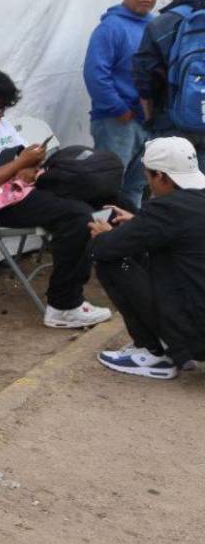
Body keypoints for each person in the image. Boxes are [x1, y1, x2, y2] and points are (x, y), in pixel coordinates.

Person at [0, 67, 112, 329]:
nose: (1, 116)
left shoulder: (0, 123)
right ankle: (63, 306)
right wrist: (20, 164)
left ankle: (127, 277)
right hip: (0, 204)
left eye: (4, 110)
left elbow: (23, 159)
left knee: (103, 194)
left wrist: (29, 166)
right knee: (78, 216)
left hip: (26, 188)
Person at [90, 137, 205, 379]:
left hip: (196, 334)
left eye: (148, 176)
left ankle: (153, 352)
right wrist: (138, 223)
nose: (148, 184)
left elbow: (105, 248)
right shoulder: (195, 201)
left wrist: (105, 235)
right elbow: (185, 232)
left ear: (161, 176)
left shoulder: (167, 208)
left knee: (111, 261)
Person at [82, 0, 157, 209]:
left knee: (136, 185)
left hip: (147, 123)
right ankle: (99, 243)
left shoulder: (157, 25)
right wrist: (118, 109)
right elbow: (95, 74)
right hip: (117, 122)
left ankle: (127, 240)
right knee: (107, 187)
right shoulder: (110, 28)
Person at [134, 0, 205, 167]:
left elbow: (144, 78)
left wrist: (150, 118)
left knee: (173, 194)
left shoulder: (162, 23)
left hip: (171, 123)